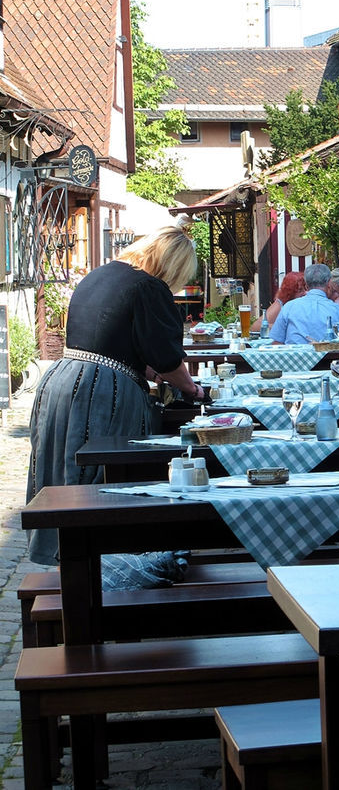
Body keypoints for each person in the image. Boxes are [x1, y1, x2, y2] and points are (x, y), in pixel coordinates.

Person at [26, 215, 206, 588]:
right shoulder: (148, 287)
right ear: (171, 264)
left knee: (64, 476)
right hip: (101, 390)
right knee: (106, 481)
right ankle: (110, 571)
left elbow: (116, 338)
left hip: (63, 380)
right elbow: (167, 358)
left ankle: (72, 564)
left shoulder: (100, 274)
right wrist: (190, 388)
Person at [269, 262, 339, 344]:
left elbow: (276, 342)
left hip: (297, 356)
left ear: (306, 286)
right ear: (329, 284)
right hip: (328, 356)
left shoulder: (289, 307)